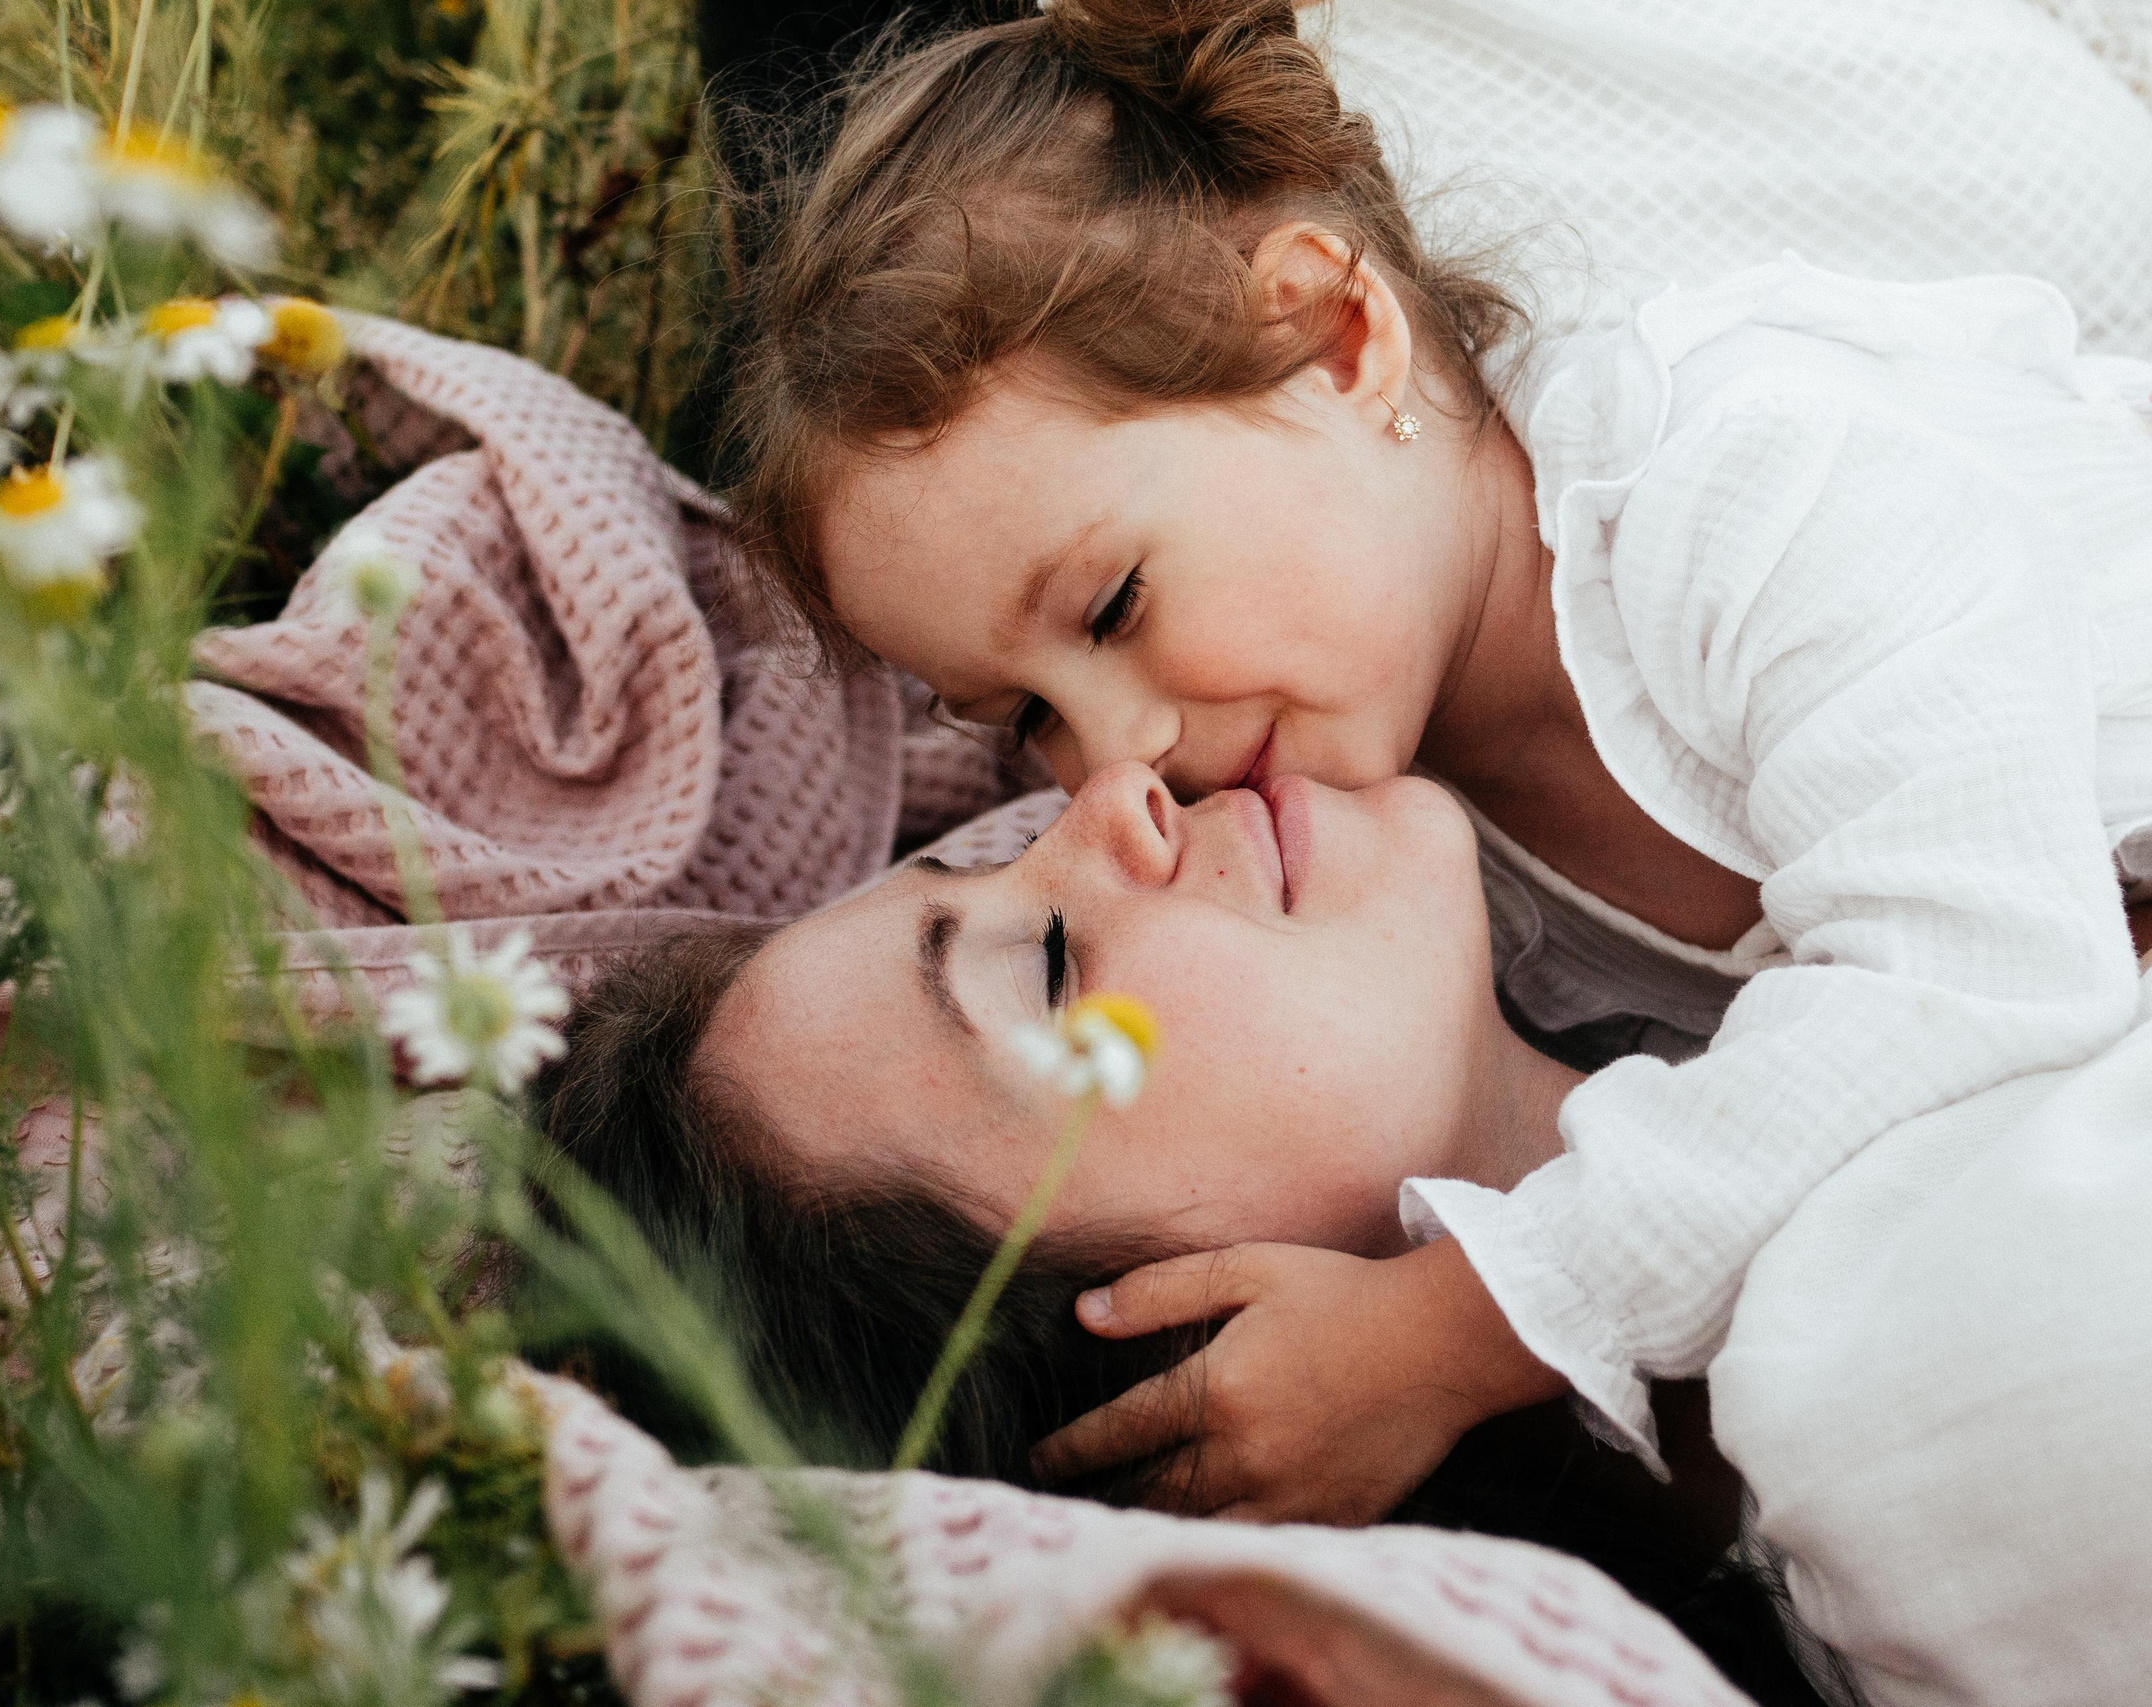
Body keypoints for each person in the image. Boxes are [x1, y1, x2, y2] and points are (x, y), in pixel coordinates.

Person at [710, 0, 2152, 1519]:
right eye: (1029, 718)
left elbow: (1971, 970)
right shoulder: (1421, 874)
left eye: (1117, 606)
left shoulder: (1740, 488)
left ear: (1337, 342)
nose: (1120, 754)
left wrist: (1465, 1324)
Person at [534, 761, 2152, 1706]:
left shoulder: (1781, 894)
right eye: (1044, 971)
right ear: (1205, 1366)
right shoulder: (1958, 1398)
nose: (1113, 792)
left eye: (987, 840)